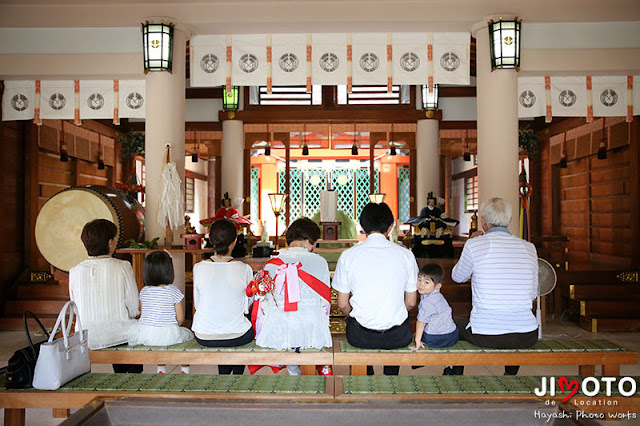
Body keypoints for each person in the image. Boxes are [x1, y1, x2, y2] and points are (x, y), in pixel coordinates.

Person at [450, 197, 538, 376]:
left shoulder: (475, 244)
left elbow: (457, 277)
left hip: (486, 333)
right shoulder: (529, 248)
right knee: (511, 327)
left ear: (483, 221)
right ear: (510, 220)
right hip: (526, 334)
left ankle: (455, 375)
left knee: (454, 326)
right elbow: (533, 294)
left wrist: (470, 243)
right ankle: (510, 374)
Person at [332, 202, 418, 376]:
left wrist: (354, 315)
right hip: (398, 336)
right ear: (391, 227)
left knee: (358, 326)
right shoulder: (406, 255)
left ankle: (366, 375)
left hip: (361, 336)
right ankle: (391, 377)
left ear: (362, 227)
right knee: (398, 325)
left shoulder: (348, 255)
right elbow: (410, 302)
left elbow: (342, 304)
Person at [255, 218, 332, 376]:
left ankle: (293, 372)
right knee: (309, 321)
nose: (313, 248)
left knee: (285, 323)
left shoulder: (271, 264)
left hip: (278, 332)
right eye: (313, 244)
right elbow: (325, 303)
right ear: (306, 241)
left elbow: (264, 302)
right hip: (312, 331)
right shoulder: (320, 262)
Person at [69, 219, 141, 373]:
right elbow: (134, 308)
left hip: (86, 337)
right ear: (110, 242)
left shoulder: (74, 271)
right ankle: (130, 377)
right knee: (133, 329)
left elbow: (75, 306)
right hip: (119, 335)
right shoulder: (122, 267)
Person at [192, 218, 255, 375]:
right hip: (238, 335)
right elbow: (247, 305)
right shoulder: (244, 269)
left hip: (204, 335)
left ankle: (224, 375)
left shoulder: (198, 268)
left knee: (224, 331)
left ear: (211, 240)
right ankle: (237, 376)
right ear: (234, 242)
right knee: (244, 330)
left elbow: (198, 305)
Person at [127, 250, 193, 374]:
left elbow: (142, 312)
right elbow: (180, 318)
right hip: (169, 333)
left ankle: (161, 368)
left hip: (146, 334)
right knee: (188, 338)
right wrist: (172, 325)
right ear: (169, 271)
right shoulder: (173, 291)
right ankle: (184, 369)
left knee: (159, 342)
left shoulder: (144, 291)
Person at [410, 263, 458, 351]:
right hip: (452, 336)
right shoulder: (438, 296)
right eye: (419, 279)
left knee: (414, 335)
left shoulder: (428, 302)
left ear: (437, 286)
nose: (421, 284)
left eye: (426, 282)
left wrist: (417, 341)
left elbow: (421, 322)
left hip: (434, 339)